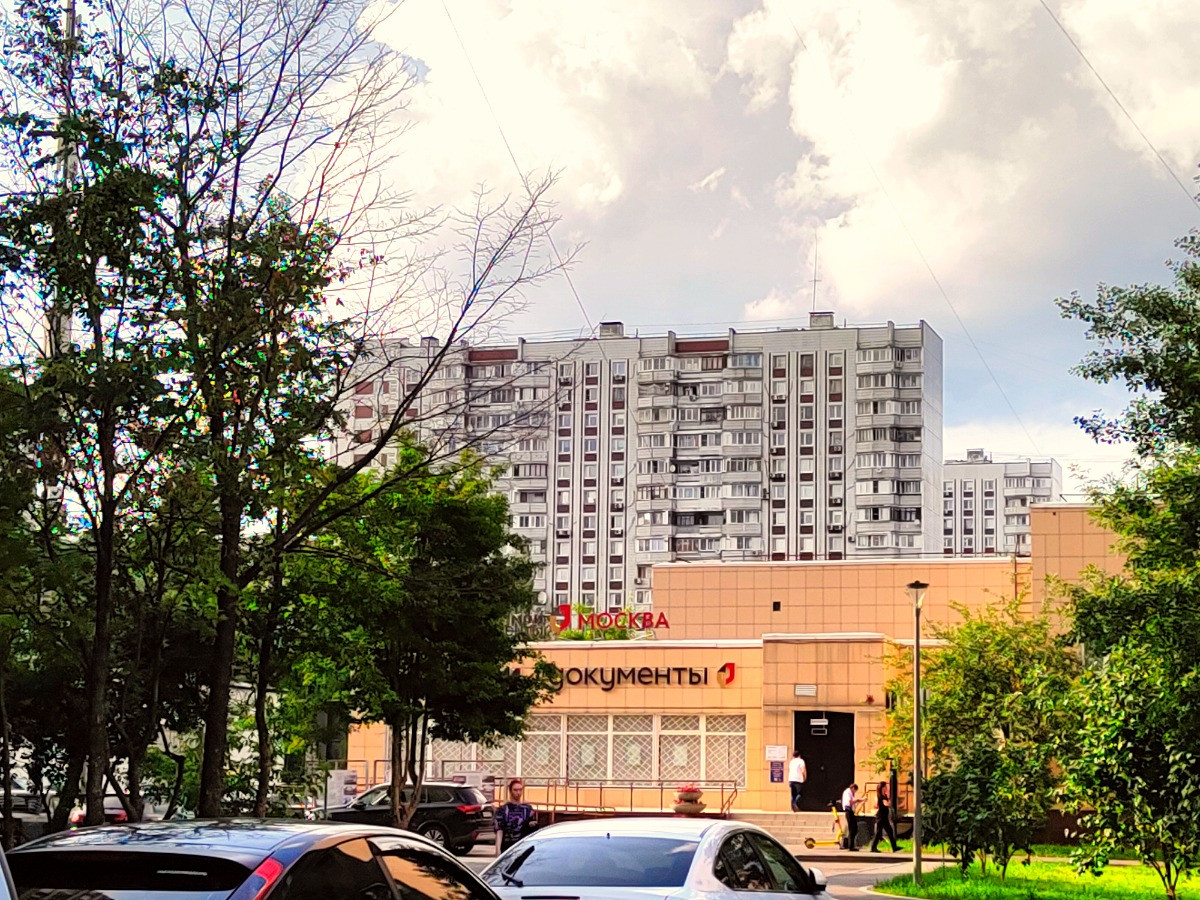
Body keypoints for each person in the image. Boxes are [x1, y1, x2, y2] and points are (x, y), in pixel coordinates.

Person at [494, 779, 537, 854]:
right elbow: (499, 830)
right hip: (507, 847)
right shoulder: (503, 809)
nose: (518, 792)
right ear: (510, 791)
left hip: (523, 846)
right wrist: (498, 851)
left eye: (520, 790)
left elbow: (533, 828)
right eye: (515, 790)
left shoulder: (527, 809)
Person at [868, 780, 900, 853]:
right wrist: (888, 801)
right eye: (886, 786)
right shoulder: (881, 796)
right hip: (881, 817)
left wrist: (887, 799)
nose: (887, 788)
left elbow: (884, 804)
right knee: (879, 832)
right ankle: (873, 847)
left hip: (884, 817)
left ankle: (894, 847)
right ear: (883, 787)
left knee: (889, 831)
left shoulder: (884, 796)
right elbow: (887, 804)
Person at [840, 782, 863, 850]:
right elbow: (850, 802)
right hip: (849, 811)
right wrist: (859, 800)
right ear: (853, 788)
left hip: (850, 811)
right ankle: (851, 846)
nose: (854, 792)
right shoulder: (848, 792)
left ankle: (851, 845)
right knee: (853, 828)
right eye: (855, 791)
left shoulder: (849, 793)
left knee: (853, 828)